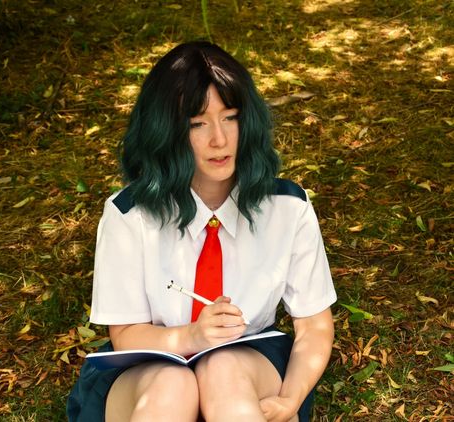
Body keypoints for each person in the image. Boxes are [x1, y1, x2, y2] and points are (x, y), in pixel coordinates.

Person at [67, 41, 336, 422]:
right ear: (166, 131)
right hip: (149, 367)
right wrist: (192, 336)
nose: (219, 139)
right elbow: (125, 334)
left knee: (222, 368)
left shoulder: (287, 207)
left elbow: (314, 325)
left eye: (230, 117)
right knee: (172, 385)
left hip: (246, 362)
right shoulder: (129, 215)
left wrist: (290, 399)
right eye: (197, 123)